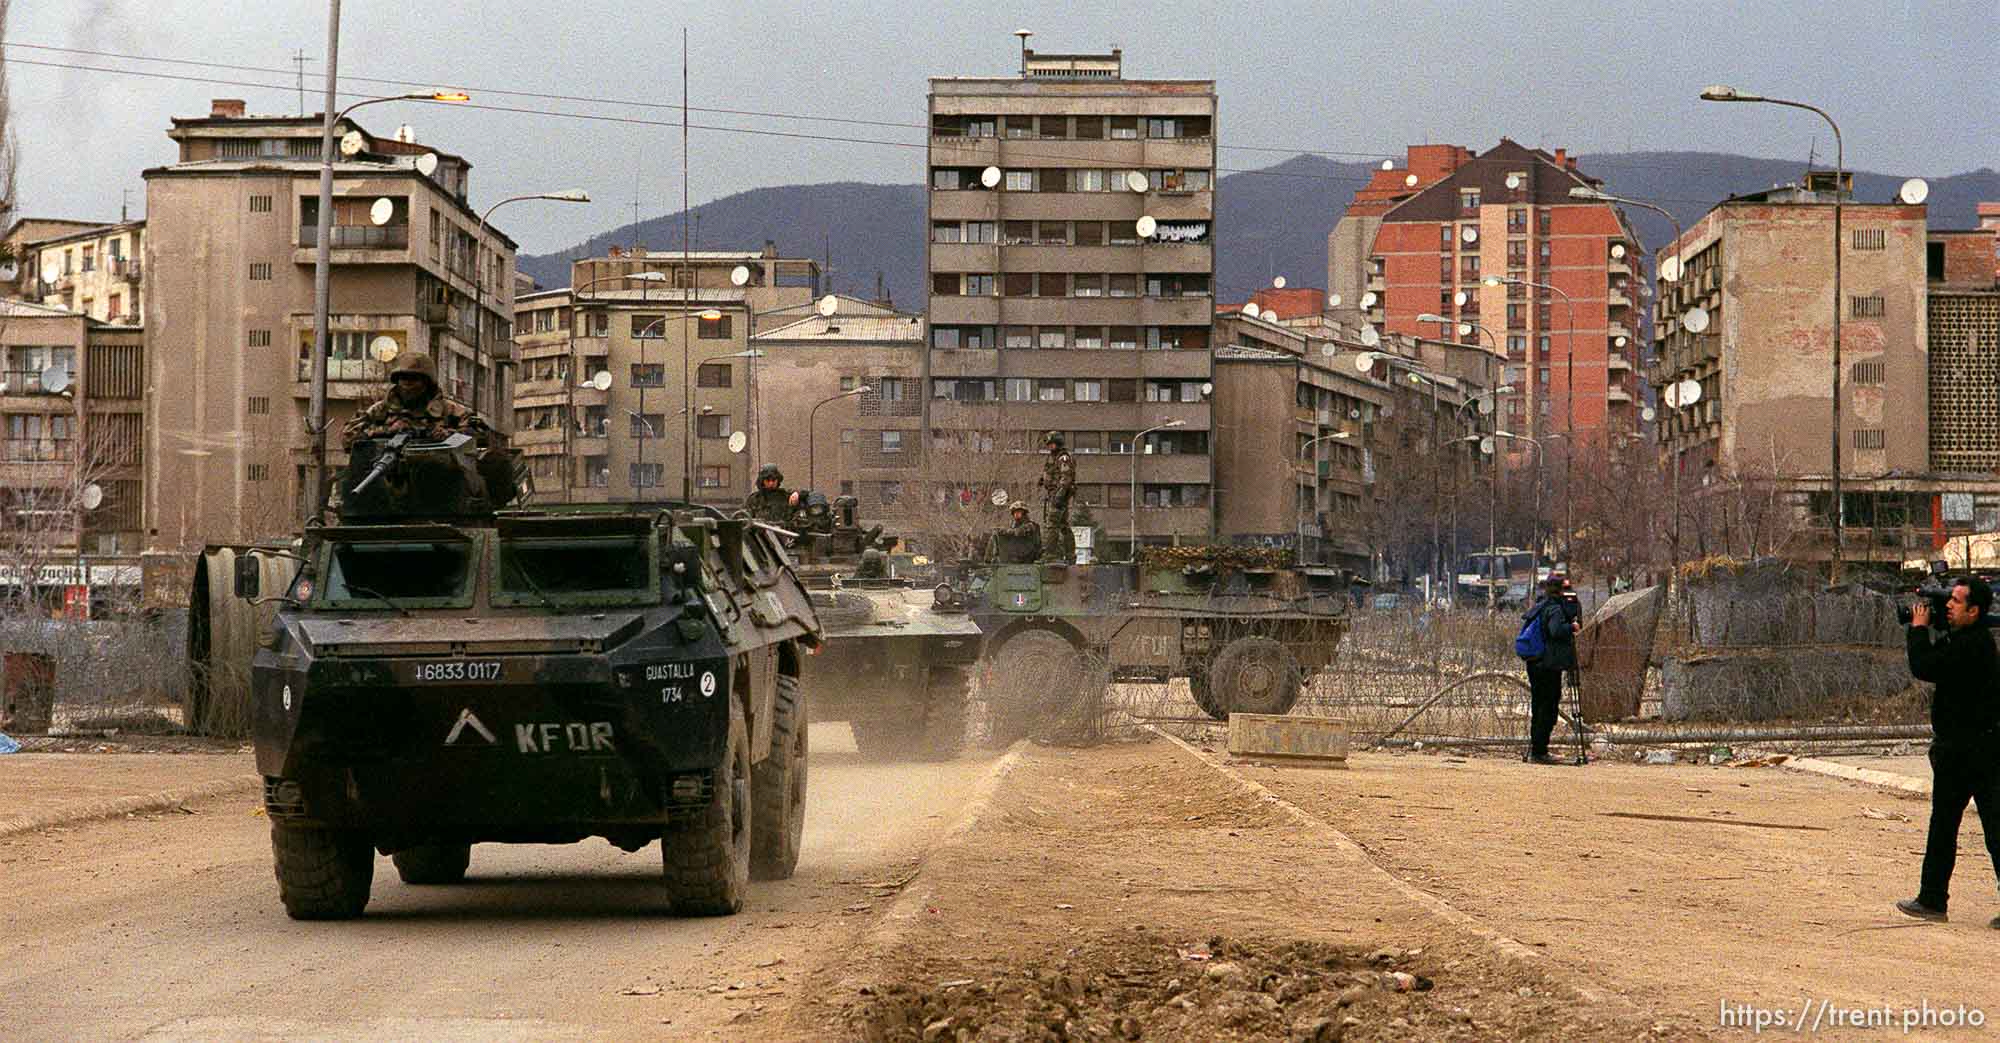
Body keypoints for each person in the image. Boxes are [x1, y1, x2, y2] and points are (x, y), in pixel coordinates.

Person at [1895, 575, 2000, 925]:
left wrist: (1918, 628)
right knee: (1945, 826)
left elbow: (1925, 665)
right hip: (1961, 748)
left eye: (1956, 602)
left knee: (1993, 827)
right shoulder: (1967, 638)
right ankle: (1932, 898)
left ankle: (1933, 897)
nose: (1949, 606)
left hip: (1976, 749)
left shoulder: (1974, 645)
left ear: (1974, 610)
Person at [340, 351, 490, 450]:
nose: (407, 383)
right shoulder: (380, 410)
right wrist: (384, 431)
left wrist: (448, 435)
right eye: (403, 378)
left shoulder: (449, 410)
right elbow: (348, 439)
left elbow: (481, 435)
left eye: (414, 379)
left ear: (427, 382)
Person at [1519, 575, 1578, 765]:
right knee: (1548, 706)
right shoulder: (1554, 608)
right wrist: (1572, 627)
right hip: (1548, 664)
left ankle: (1537, 747)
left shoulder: (1540, 605)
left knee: (1539, 706)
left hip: (1535, 663)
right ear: (1560, 590)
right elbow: (1556, 630)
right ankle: (1540, 750)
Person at [1037, 430, 1075, 562]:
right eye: (1048, 445)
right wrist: (1042, 480)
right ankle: (1070, 556)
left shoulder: (1063, 457)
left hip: (1059, 495)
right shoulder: (1053, 457)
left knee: (1052, 524)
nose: (1049, 447)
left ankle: (1049, 555)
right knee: (1063, 526)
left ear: (1058, 443)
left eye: (1052, 444)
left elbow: (1066, 477)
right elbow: (1050, 472)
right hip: (1053, 494)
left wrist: (1060, 494)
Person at [997, 500, 1041, 564]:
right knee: (996, 535)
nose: (1016, 514)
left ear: (1024, 513)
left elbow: (1018, 532)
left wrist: (1005, 531)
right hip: (1018, 555)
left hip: (1029, 556)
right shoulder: (1015, 525)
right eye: (1014, 512)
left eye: (1018, 511)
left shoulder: (1031, 525)